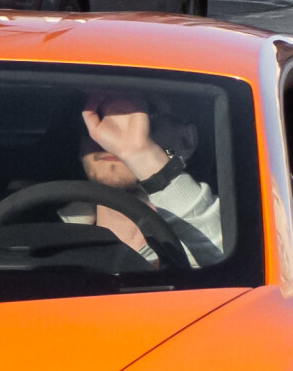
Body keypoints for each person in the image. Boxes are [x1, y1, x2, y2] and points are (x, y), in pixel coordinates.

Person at [60, 88, 225, 266]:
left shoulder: (219, 226)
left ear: (186, 139)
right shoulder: (40, 222)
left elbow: (236, 264)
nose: (107, 137)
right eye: (96, 117)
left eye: (141, 115)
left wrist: (140, 154)